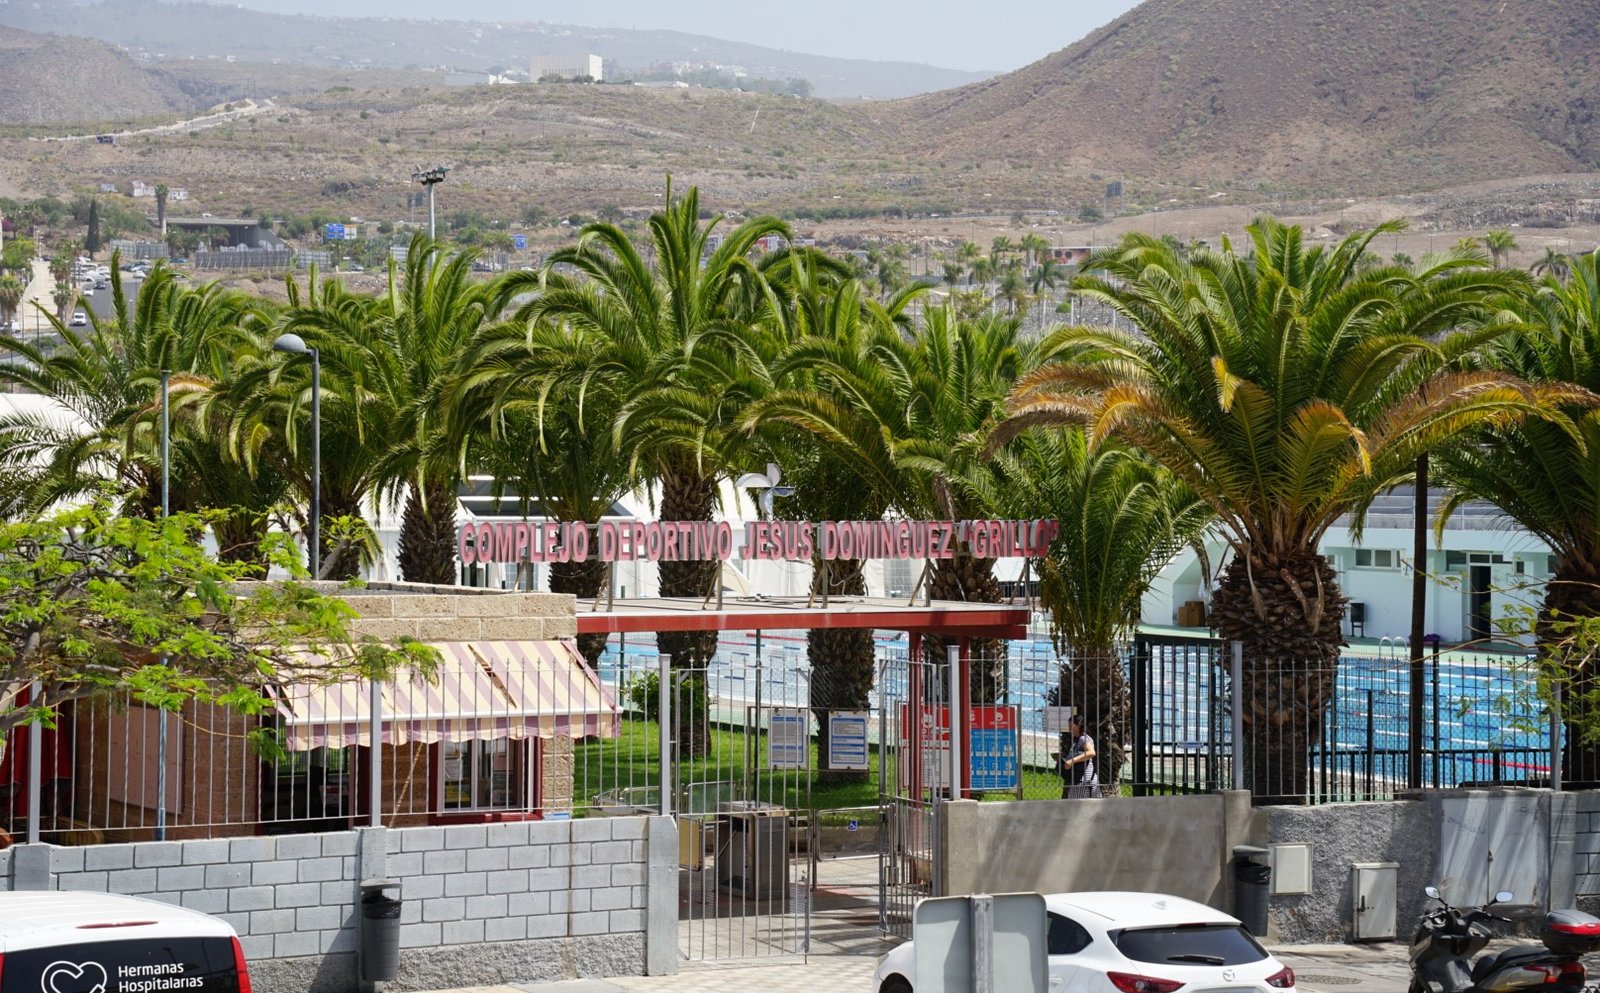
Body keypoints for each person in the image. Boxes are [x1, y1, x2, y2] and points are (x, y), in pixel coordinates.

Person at [1059, 714, 1101, 799]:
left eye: (1071, 726)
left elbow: (1091, 753)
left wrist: (1072, 761)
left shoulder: (1083, 738)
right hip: (1082, 780)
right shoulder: (1078, 740)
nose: (1069, 729)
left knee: (1074, 804)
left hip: (1084, 781)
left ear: (1078, 725)